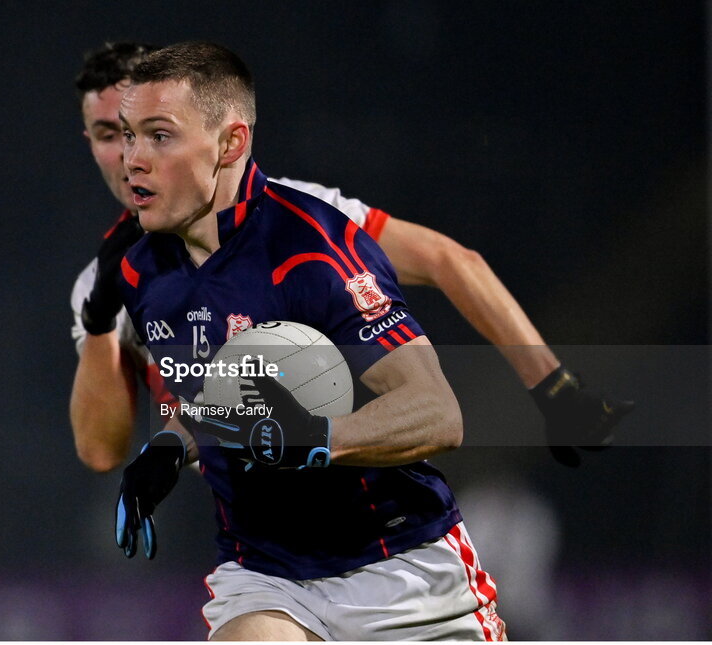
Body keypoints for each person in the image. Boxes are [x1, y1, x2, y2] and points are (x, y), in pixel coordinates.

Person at [68, 42, 633, 474]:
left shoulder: (303, 220)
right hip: (241, 523)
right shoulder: (109, 280)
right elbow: (101, 451)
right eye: (110, 133)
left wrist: (553, 387)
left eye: (154, 131)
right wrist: (100, 319)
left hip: (374, 488)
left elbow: (447, 260)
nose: (128, 154)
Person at [112, 40, 504, 641]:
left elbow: (437, 412)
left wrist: (313, 441)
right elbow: (229, 397)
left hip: (400, 566)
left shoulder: (313, 251)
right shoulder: (143, 274)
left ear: (230, 143)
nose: (132, 159)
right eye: (127, 134)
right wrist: (171, 446)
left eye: (158, 136)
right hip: (266, 574)